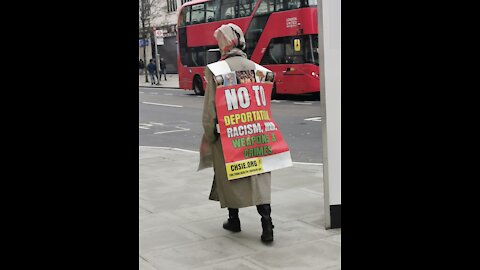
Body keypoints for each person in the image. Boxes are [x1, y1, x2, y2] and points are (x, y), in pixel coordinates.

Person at [199, 23, 275, 243]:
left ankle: (234, 219)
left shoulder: (217, 71)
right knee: (259, 178)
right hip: (256, 133)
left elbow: (209, 111)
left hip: (229, 136)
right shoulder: (259, 70)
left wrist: (210, 134)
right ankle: (267, 223)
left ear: (223, 43)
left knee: (228, 176)